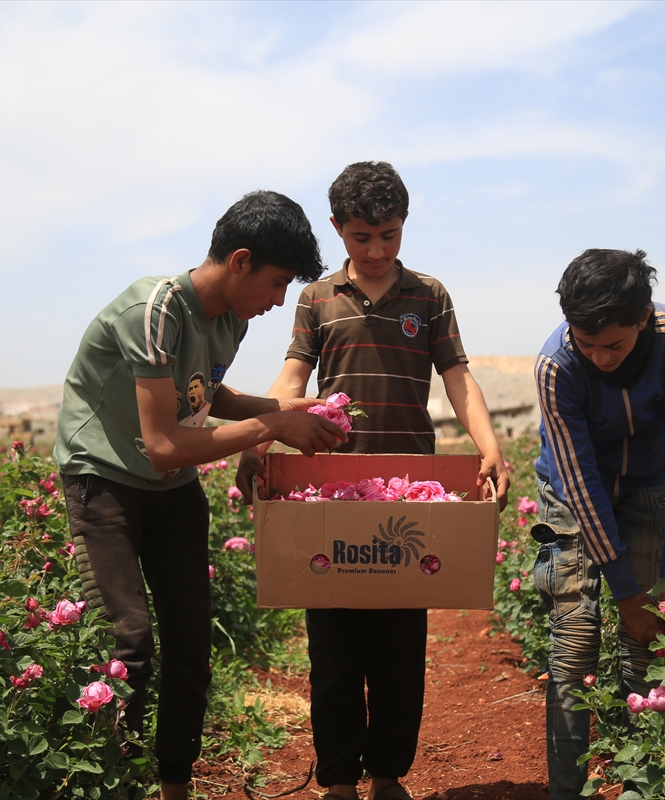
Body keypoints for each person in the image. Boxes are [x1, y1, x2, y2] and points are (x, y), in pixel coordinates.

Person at [54, 190, 348, 799]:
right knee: (128, 641)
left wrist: (287, 408)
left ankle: (174, 787)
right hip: (105, 479)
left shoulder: (230, 318)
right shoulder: (155, 311)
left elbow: (207, 397)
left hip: (173, 487)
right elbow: (163, 444)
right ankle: (114, 783)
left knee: (190, 644)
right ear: (240, 261)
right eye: (276, 282)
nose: (277, 300)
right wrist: (271, 426)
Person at [236, 161, 510, 800]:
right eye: (362, 237)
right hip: (331, 492)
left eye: (389, 235)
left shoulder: (429, 296)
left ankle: (387, 775)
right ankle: (337, 780)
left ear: (404, 224)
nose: (378, 250)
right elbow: (293, 378)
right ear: (338, 228)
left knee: (399, 649)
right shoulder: (316, 298)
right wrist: (259, 438)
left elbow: (458, 378)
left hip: (412, 494)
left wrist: (490, 447)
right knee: (332, 649)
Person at [530, 248, 665, 799]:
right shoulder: (556, 365)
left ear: (643, 318)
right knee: (575, 636)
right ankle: (566, 791)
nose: (600, 358)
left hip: (651, 483)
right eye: (587, 344)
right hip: (572, 488)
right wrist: (626, 591)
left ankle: (641, 784)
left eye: (614, 345)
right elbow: (580, 482)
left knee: (648, 637)